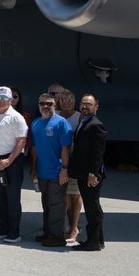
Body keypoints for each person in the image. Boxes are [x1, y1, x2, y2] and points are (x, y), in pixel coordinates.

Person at [0, 86, 28, 244]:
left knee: (12, 197)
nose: (2, 101)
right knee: (0, 196)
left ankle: (14, 231)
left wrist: (9, 160)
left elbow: (21, 140)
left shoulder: (17, 118)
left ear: (11, 100)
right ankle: (4, 228)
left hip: (12, 161)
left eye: (5, 98)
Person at [27, 91, 71, 247]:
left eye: (49, 104)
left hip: (57, 172)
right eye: (42, 103)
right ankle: (48, 233)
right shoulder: (35, 123)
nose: (45, 106)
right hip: (42, 172)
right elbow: (33, 148)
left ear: (55, 105)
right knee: (46, 204)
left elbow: (65, 148)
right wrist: (33, 168)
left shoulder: (61, 123)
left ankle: (57, 236)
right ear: (38, 106)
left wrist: (64, 169)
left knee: (56, 205)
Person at [70, 94, 107, 251]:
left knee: (92, 207)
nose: (84, 106)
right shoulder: (83, 121)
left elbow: (97, 152)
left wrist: (93, 173)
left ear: (96, 107)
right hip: (83, 172)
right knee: (91, 205)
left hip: (90, 175)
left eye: (88, 104)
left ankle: (93, 243)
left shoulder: (96, 124)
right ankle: (98, 240)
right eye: (83, 103)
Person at [56, 89, 83, 242]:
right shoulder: (56, 115)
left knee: (76, 194)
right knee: (64, 195)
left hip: (74, 160)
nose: (66, 103)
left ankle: (75, 227)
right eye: (63, 100)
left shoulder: (79, 117)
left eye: (69, 100)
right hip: (59, 160)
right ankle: (64, 224)